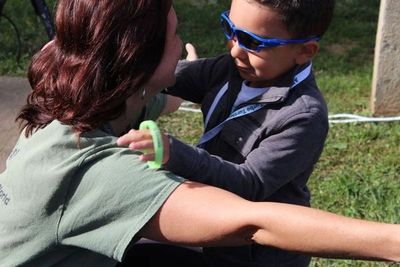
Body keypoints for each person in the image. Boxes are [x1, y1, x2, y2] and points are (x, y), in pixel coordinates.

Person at [1, 0, 400, 266]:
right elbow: (249, 221)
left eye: (252, 41)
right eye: (175, 36)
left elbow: (254, 209)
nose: (231, 49)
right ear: (139, 64)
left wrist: (174, 140)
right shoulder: (103, 169)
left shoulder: (69, 102)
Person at [117, 0, 332, 266]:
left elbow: (249, 184)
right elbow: (175, 78)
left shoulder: (303, 116)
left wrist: (175, 154)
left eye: (253, 43)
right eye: (230, 29)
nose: (235, 50)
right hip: (211, 227)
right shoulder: (230, 69)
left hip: (254, 252)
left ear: (304, 50)